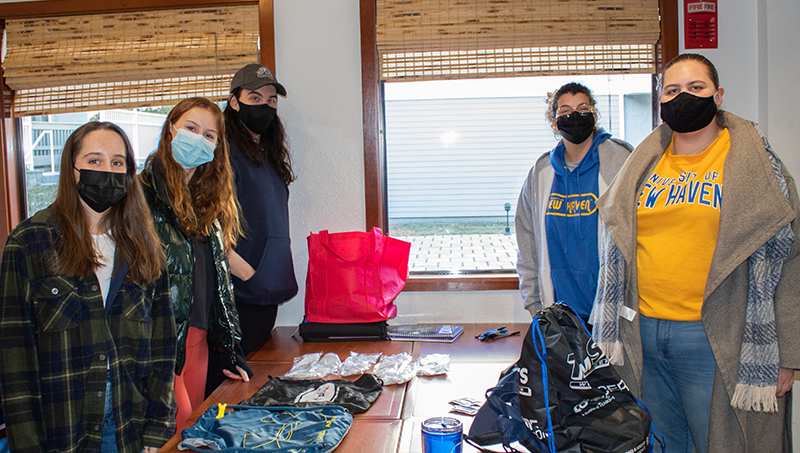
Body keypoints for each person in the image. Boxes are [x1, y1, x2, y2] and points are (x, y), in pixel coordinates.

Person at [591, 53, 800, 453]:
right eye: (672, 90)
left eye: (696, 87)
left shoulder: (756, 165)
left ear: (718, 95)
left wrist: (786, 354)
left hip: (719, 336)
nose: (684, 96)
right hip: (645, 334)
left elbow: (791, 263)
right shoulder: (642, 164)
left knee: (723, 444)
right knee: (663, 444)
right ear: (660, 101)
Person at [0, 122, 176, 453]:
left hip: (129, 428)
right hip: (61, 432)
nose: (107, 171)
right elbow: (14, 362)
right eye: (94, 161)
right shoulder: (29, 243)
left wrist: (158, 427)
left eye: (117, 163)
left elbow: (162, 350)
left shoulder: (147, 248)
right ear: (72, 168)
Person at [139, 97, 252, 432]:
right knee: (176, 429)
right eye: (191, 128)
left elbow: (218, 282)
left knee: (193, 428)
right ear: (171, 127)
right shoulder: (140, 192)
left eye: (209, 135)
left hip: (198, 338)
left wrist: (231, 348)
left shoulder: (208, 202)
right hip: (159, 343)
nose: (199, 139)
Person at [515, 82, 632, 321]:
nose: (575, 116)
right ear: (554, 122)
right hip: (559, 316)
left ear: (595, 115)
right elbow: (526, 241)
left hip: (612, 313)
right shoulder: (541, 174)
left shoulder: (621, 162)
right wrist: (535, 304)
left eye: (582, 108)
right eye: (565, 111)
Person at [221, 64, 298, 356]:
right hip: (241, 295)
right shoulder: (223, 154)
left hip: (266, 294)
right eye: (254, 98)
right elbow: (207, 226)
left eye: (271, 100)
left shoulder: (268, 155)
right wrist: (248, 275)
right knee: (228, 391)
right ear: (234, 101)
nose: (265, 106)